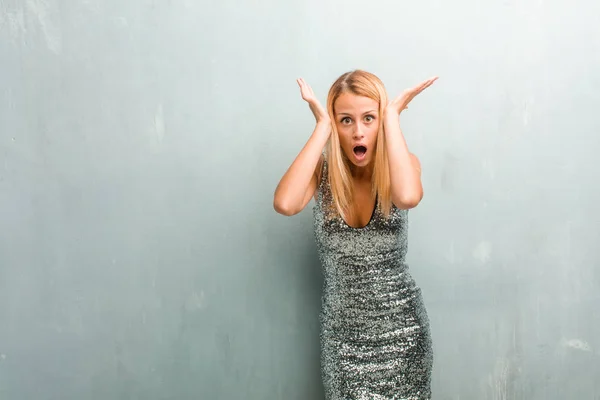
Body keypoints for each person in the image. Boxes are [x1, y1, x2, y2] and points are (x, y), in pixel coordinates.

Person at [273, 70, 437, 399]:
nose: (358, 131)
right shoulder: (321, 171)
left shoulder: (402, 165)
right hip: (344, 343)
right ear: (335, 125)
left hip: (402, 335)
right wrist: (321, 128)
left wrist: (392, 118)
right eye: (345, 120)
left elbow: (407, 197)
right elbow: (286, 203)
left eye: (369, 118)